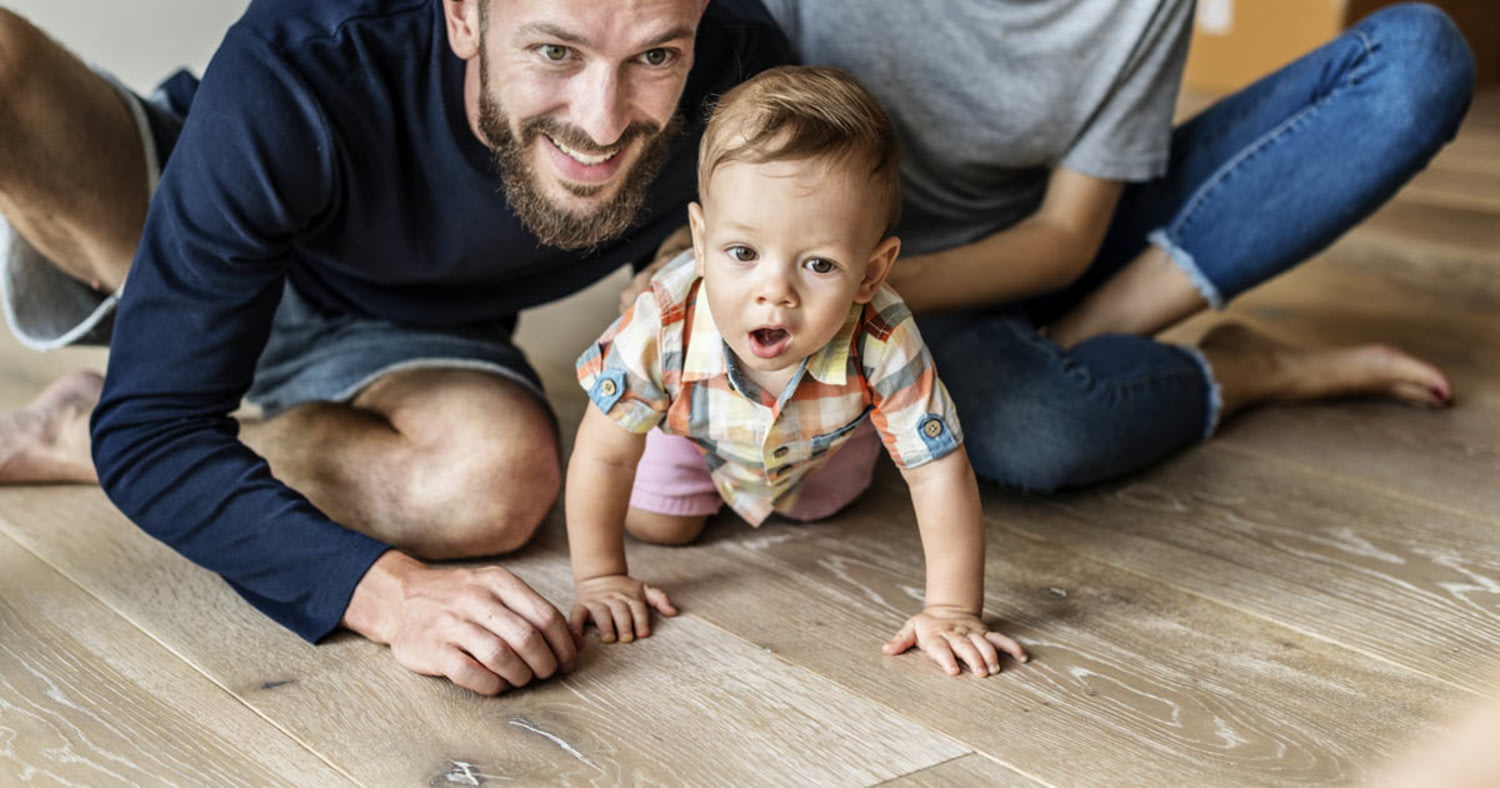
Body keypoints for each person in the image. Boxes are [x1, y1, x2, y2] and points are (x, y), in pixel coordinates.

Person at [0, 0, 786, 695]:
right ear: (462, 17)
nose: (602, 122)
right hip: (178, 229)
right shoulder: (301, 57)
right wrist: (393, 595)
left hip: (401, 334)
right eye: (555, 51)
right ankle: (135, 396)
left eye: (655, 55)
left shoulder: (748, 84)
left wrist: (683, 277)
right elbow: (155, 431)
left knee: (494, 484)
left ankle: (79, 431)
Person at [613, 0, 1475, 494]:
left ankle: (1129, 352)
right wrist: (697, 267)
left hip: (948, 271)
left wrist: (868, 292)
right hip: (827, 266)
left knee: (1417, 62)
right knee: (1044, 433)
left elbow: (1066, 237)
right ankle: (1218, 372)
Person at [567, 66, 1030, 678]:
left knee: (823, 506)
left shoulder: (884, 337)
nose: (774, 293)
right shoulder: (662, 320)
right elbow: (603, 455)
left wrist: (951, 610)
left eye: (818, 264)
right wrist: (600, 577)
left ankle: (862, 433)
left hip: (820, 446)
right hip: (693, 428)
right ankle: (704, 476)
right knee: (659, 524)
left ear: (871, 272)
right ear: (701, 241)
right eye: (743, 253)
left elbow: (938, 473)